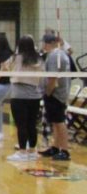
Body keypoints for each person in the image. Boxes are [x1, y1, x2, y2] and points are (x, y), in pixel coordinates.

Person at [5, 36, 43, 161]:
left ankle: (22, 152)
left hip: (19, 96)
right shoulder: (38, 58)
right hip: (35, 96)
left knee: (21, 125)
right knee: (32, 124)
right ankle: (32, 150)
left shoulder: (16, 58)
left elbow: (6, 67)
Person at [39, 33, 72, 161]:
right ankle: (55, 147)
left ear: (48, 44)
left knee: (59, 122)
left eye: (43, 43)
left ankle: (64, 150)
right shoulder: (62, 54)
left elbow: (52, 78)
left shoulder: (54, 56)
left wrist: (47, 92)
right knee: (55, 121)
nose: (42, 45)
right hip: (60, 93)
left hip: (56, 94)